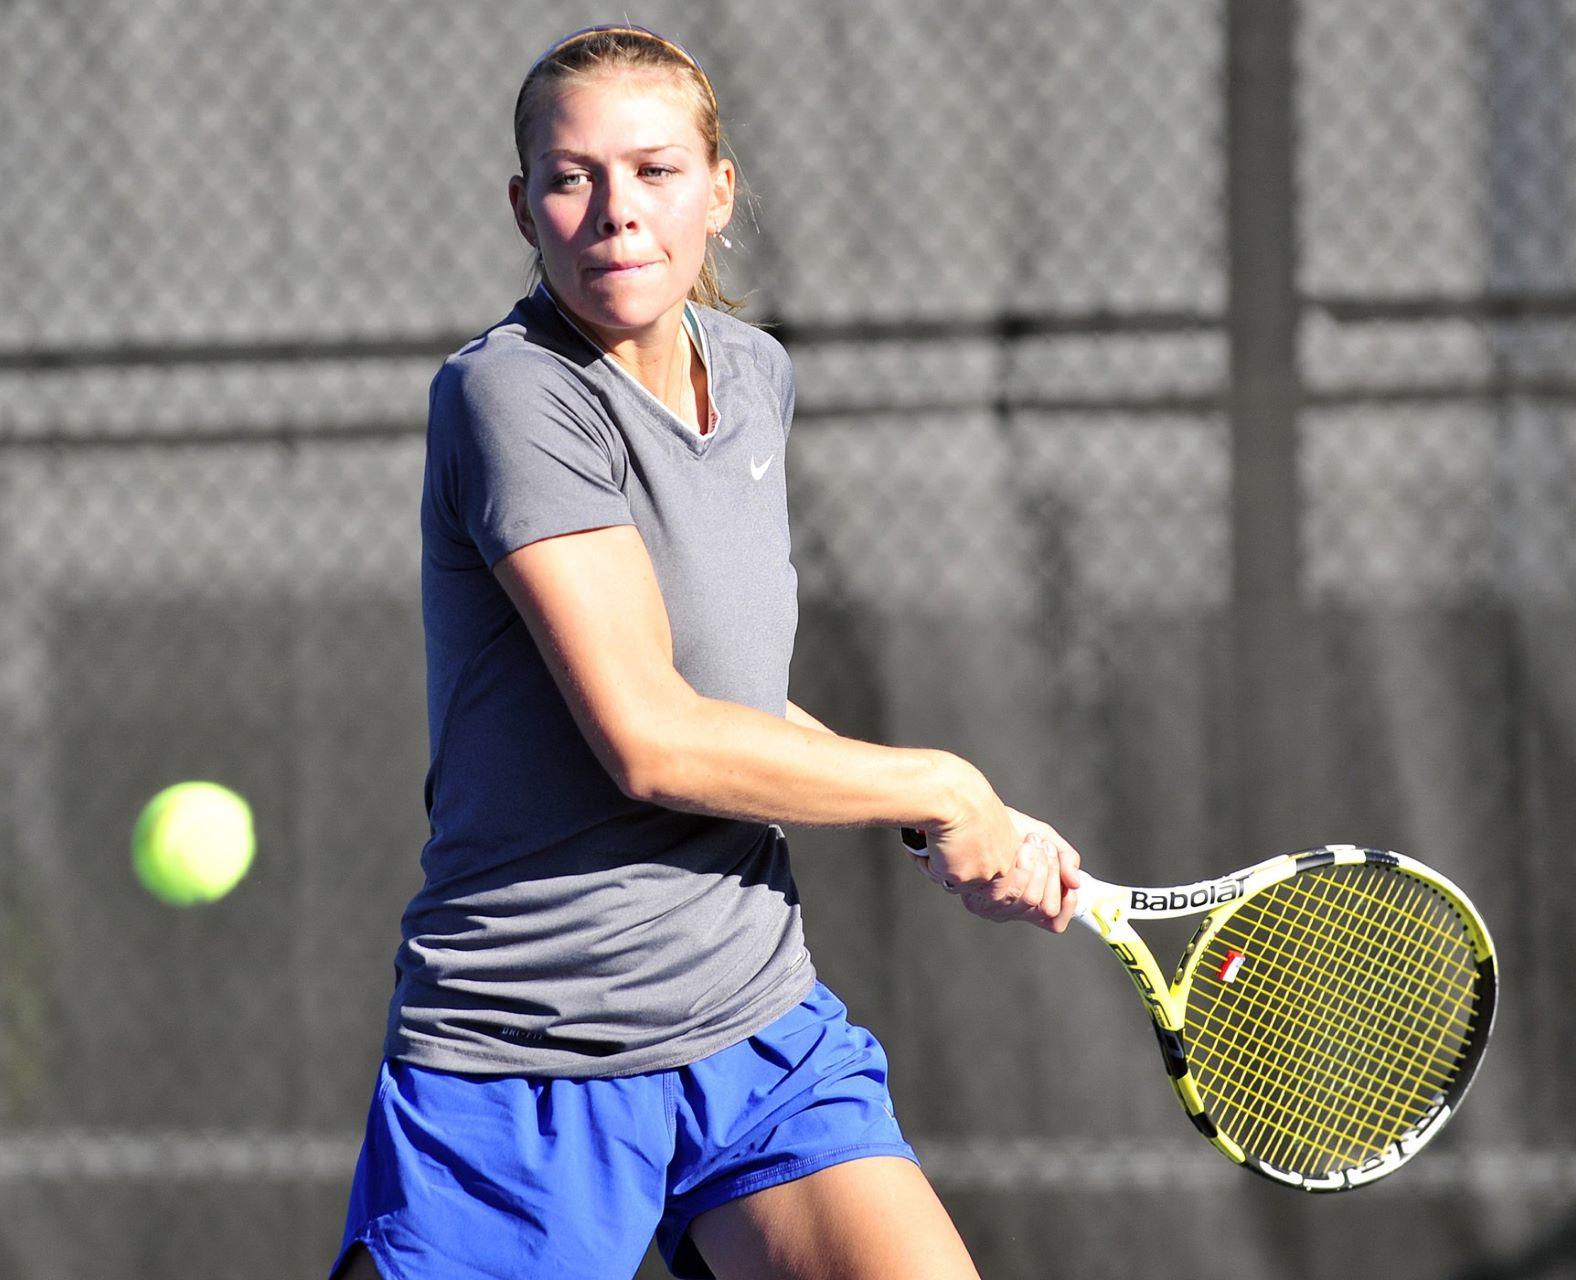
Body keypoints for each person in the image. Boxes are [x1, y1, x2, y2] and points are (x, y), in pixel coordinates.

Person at [331, 23, 1082, 1280]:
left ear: (720, 190)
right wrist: (940, 784)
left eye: (656, 170)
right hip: (533, 1052)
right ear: (525, 207)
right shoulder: (511, 395)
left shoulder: (753, 375)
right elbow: (651, 738)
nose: (616, 211)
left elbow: (731, 702)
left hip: (753, 1023)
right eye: (572, 178)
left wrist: (959, 814)